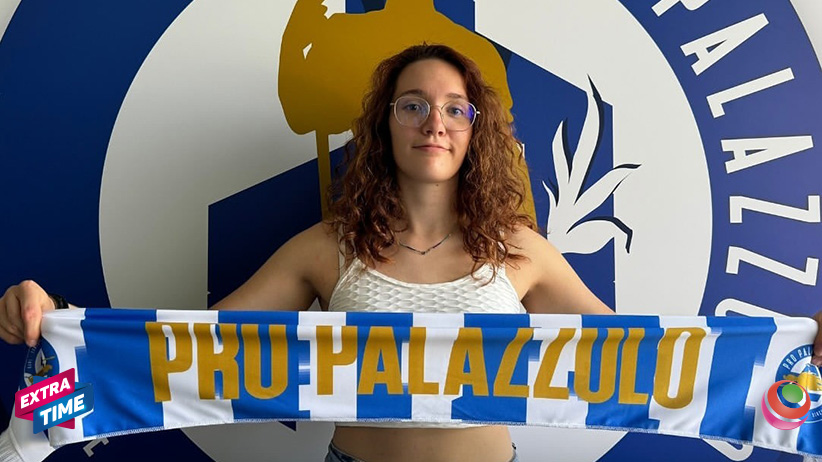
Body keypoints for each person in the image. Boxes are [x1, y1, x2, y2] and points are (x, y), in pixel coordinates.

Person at [1, 44, 821, 462]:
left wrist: (796, 354)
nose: (436, 122)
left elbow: (644, 361)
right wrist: (57, 322)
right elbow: (190, 353)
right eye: (413, 104)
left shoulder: (523, 252)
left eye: (457, 108)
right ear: (384, 125)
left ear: (477, 133)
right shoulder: (326, 248)